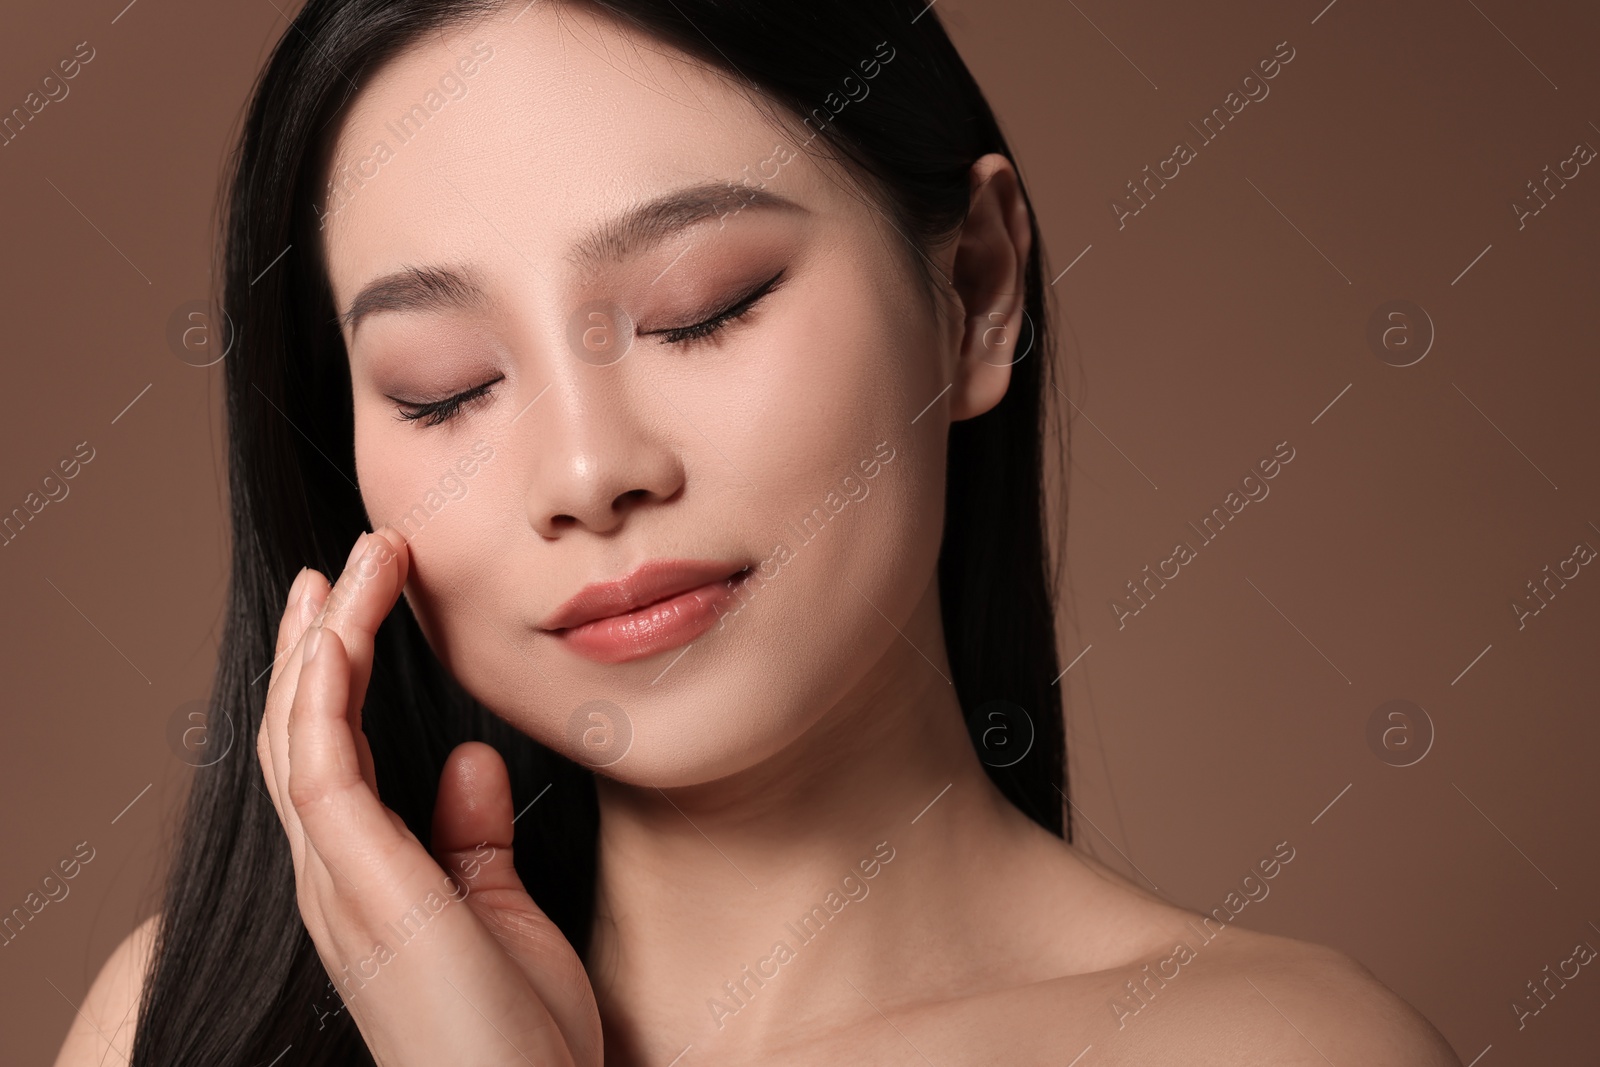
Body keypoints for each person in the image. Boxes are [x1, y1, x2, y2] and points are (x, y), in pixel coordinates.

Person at [56, 1, 1463, 1063]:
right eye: (448, 387)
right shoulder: (180, 1024)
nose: (591, 469)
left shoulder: (1262, 1049)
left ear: (973, 290)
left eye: (702, 309)